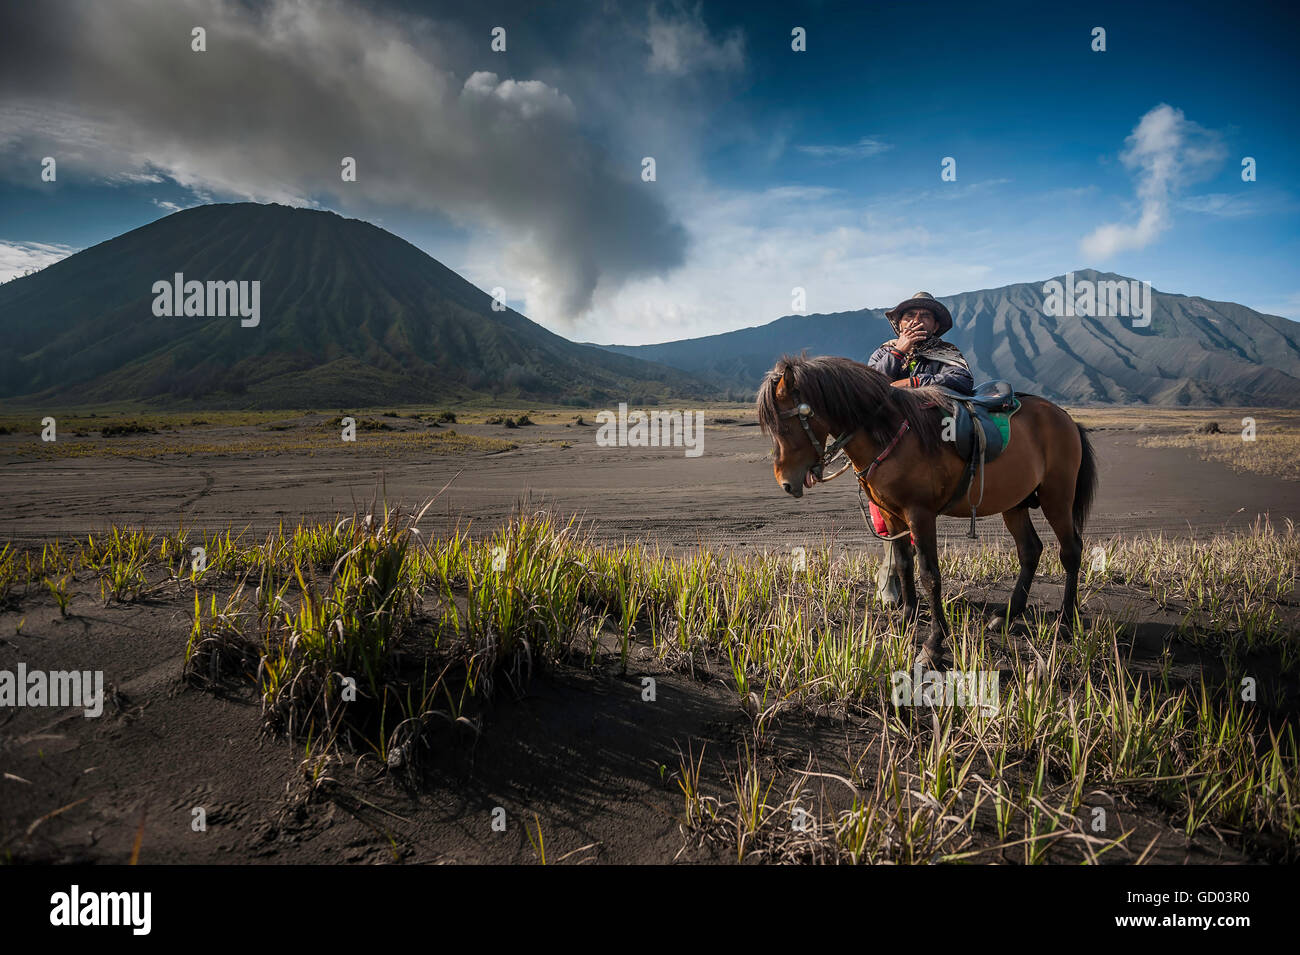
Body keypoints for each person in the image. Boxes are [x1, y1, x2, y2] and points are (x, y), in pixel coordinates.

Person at [866, 292, 973, 606]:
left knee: (917, 514)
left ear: (936, 325)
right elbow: (870, 385)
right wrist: (899, 353)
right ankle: (892, 578)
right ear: (899, 323)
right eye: (909, 315)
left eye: (925, 316)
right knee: (888, 518)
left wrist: (914, 383)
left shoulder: (947, 352)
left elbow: (962, 381)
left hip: (929, 442)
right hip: (886, 447)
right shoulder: (883, 353)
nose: (916, 320)